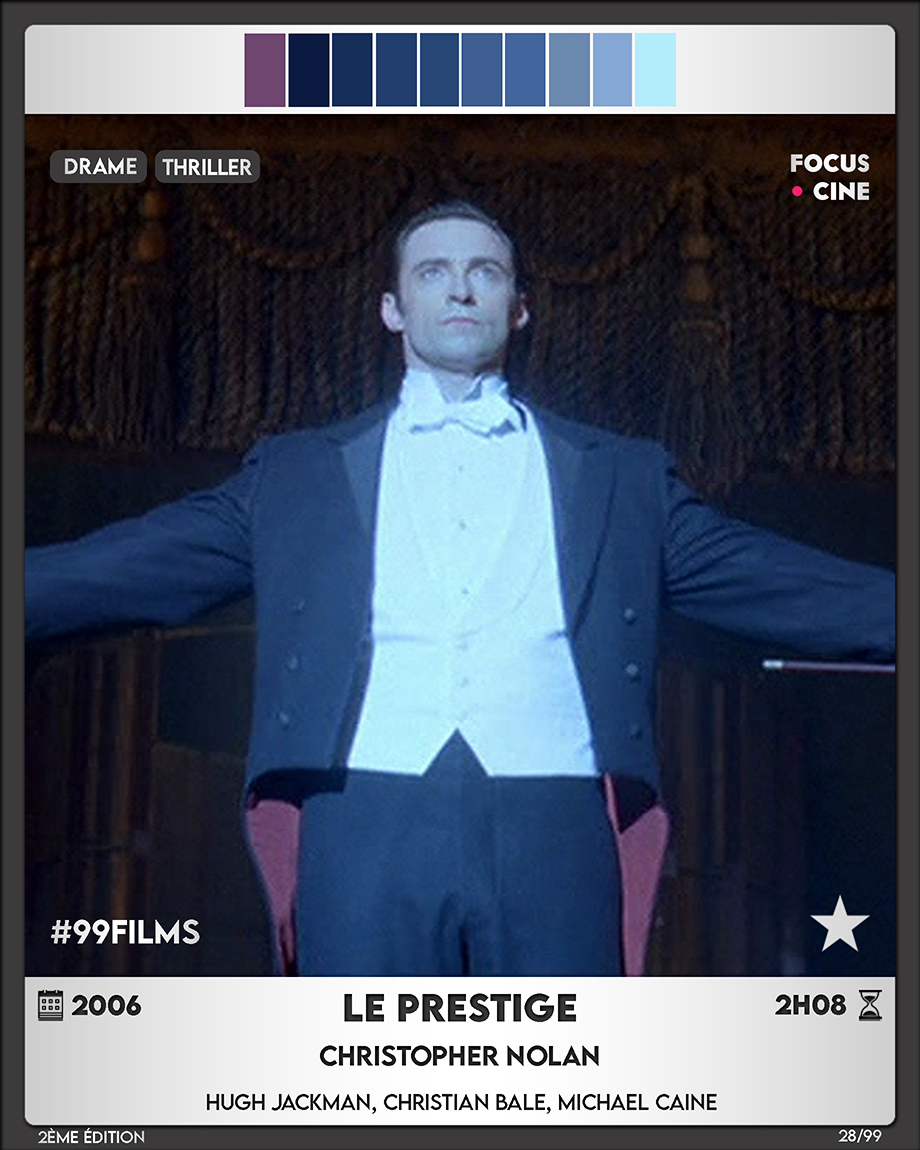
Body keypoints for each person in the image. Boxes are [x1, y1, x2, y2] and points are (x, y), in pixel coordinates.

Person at [24, 200, 895, 977]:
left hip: (555, 814)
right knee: (368, 1077)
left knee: (562, 1078)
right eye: (434, 272)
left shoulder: (622, 477)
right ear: (392, 307)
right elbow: (131, 564)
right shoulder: (296, 474)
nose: (461, 289)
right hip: (362, 810)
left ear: (519, 307)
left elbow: (775, 580)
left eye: (485, 272)